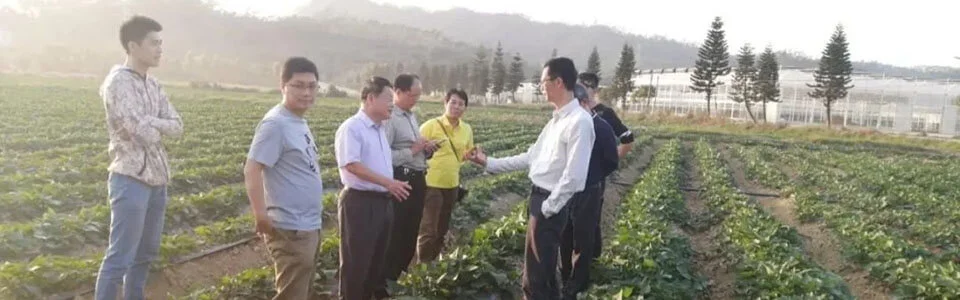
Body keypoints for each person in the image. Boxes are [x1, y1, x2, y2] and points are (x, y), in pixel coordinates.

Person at [467, 57, 595, 300]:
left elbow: (575, 176)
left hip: (549, 205)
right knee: (541, 273)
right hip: (539, 200)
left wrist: (549, 207)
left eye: (543, 81)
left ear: (558, 82)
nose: (541, 87)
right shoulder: (557, 120)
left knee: (535, 279)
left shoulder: (579, 121)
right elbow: (531, 157)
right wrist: (489, 163)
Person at [95, 15, 183, 300]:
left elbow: (177, 126)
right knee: (120, 256)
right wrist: (156, 123)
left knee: (145, 254)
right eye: (154, 43)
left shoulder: (152, 84)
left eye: (161, 43)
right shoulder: (117, 83)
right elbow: (142, 133)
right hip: (130, 179)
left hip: (158, 180)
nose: (160, 49)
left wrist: (152, 121)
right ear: (133, 46)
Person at [243, 57, 324, 300]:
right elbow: (252, 168)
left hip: (307, 224)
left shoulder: (297, 121)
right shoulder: (275, 124)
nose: (306, 92)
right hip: (290, 227)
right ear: (283, 86)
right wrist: (260, 214)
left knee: (301, 290)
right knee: (291, 294)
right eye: (298, 85)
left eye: (312, 86)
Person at [335, 77, 412, 300]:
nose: (392, 104)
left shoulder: (380, 129)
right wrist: (389, 182)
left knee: (376, 263)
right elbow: (352, 164)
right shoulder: (352, 128)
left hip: (382, 203)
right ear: (370, 98)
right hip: (360, 202)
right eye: (388, 99)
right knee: (356, 264)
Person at [559, 84, 619, 300]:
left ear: (585, 103)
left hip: (589, 190)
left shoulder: (601, 127)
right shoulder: (567, 125)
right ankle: (565, 275)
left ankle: (578, 283)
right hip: (567, 189)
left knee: (583, 237)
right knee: (565, 233)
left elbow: (612, 160)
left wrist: (593, 176)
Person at [577, 72, 637, 258]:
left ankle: (591, 258)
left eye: (583, 86)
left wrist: (608, 162)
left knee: (591, 218)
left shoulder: (605, 113)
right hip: (574, 173)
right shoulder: (573, 110)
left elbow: (627, 140)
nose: (579, 89)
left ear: (594, 90)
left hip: (594, 176)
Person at [382, 74, 435, 282]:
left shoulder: (411, 116)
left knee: (411, 232)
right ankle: (386, 281)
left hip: (418, 179)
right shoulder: (390, 119)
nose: (416, 99)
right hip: (402, 180)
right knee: (398, 233)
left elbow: (414, 148)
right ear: (399, 92)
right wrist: (413, 150)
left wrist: (426, 149)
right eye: (413, 95)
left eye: (418, 95)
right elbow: (385, 156)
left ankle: (398, 276)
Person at [416, 89, 474, 262]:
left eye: (461, 104)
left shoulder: (466, 129)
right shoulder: (430, 125)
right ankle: (422, 269)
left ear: (465, 108)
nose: (457, 107)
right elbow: (415, 151)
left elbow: (466, 152)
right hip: (431, 183)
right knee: (428, 229)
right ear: (445, 103)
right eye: (453, 102)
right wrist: (426, 148)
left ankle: (432, 264)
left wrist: (472, 155)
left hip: (452, 185)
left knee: (441, 229)